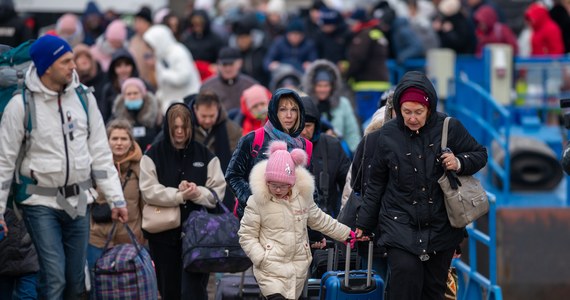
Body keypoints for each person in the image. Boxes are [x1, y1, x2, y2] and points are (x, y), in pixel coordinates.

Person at [0, 35, 128, 299]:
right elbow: (5, 160)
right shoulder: (20, 105)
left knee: (75, 281)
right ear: (47, 66)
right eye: (66, 61)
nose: (74, 66)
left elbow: (101, 153)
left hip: (79, 200)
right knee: (54, 276)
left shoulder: (84, 99)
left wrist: (116, 199)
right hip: (39, 201)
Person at [355, 71, 487, 299]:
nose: (412, 118)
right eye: (406, 112)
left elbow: (479, 154)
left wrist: (459, 162)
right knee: (404, 280)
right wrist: (364, 224)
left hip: (441, 225)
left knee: (433, 290)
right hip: (399, 222)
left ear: (429, 108)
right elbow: (376, 183)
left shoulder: (449, 127)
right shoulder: (388, 134)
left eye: (419, 112)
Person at [238, 141, 355, 300]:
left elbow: (320, 220)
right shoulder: (257, 202)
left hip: (297, 268)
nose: (278, 190)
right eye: (273, 185)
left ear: (292, 183)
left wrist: (346, 234)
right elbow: (246, 235)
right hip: (270, 269)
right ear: (266, 182)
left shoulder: (303, 199)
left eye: (283, 185)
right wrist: (260, 257)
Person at [139, 103, 226, 300]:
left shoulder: (206, 155)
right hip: (163, 236)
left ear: (190, 127)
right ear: (167, 128)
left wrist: (196, 193)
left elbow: (217, 192)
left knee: (195, 291)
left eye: (184, 127)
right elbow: (148, 191)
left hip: (199, 236)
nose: (179, 132)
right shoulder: (152, 155)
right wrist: (178, 196)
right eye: (175, 128)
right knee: (168, 289)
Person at [226, 88, 311, 219]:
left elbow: (309, 191)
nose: (289, 115)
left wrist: (313, 233)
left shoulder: (305, 145)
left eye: (294, 109)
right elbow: (233, 175)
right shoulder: (253, 139)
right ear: (274, 111)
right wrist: (253, 202)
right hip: (255, 222)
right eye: (283, 109)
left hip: (292, 224)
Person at [87, 119, 145, 286]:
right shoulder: (94, 166)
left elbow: (144, 204)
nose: (119, 143)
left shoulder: (140, 168)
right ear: (107, 141)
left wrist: (142, 237)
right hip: (97, 238)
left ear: (131, 142)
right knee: (97, 286)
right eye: (114, 138)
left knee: (128, 288)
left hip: (130, 239)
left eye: (124, 138)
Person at [301, 96, 350, 218]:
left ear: (316, 125)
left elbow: (350, 184)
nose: (303, 131)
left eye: (308, 126)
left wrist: (345, 217)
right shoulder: (283, 146)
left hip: (327, 219)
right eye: (299, 126)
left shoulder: (332, 145)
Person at [302, 59, 362, 153]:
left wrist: (356, 154)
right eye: (319, 85)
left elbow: (352, 132)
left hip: (338, 151)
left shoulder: (343, 104)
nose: (323, 89)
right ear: (313, 86)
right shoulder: (306, 104)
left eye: (326, 85)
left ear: (332, 86)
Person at [143, 24, 202, 115]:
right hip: (171, 103)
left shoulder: (178, 52)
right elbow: (162, 84)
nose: (151, 49)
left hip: (186, 101)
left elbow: (183, 77)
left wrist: (164, 74)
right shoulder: (160, 56)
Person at [200, 46, 258, 114]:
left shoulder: (251, 86)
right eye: (224, 64)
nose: (228, 69)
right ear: (218, 64)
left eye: (231, 64)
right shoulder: (207, 87)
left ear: (240, 63)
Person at [111, 78, 162, 151]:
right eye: (129, 94)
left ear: (143, 94)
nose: (132, 97)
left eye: (135, 93)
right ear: (123, 96)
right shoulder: (116, 116)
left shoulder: (156, 115)